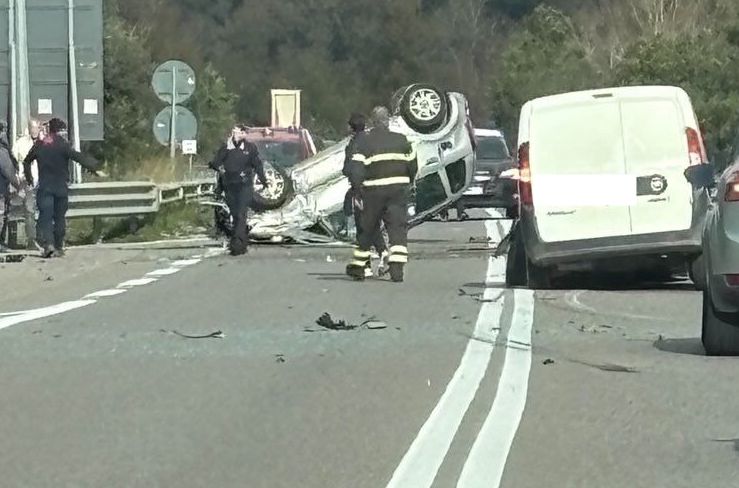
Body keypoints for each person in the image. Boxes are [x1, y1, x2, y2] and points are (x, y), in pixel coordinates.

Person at [345, 106, 417, 282]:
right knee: (398, 228)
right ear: (388, 121)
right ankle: (397, 269)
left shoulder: (364, 143)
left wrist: (357, 190)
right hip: (398, 190)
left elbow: (356, 170)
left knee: (367, 228)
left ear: (373, 122)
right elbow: (413, 164)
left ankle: (359, 267)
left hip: (373, 191)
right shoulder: (402, 140)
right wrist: (409, 181)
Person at [23, 117, 103, 258]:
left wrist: (29, 178)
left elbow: (26, 161)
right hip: (60, 187)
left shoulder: (40, 145)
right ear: (60, 131)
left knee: (46, 218)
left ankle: (49, 245)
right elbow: (78, 157)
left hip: (45, 187)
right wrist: (95, 167)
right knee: (59, 217)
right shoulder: (63, 145)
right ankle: (59, 246)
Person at [209, 124, 268, 256]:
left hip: (244, 185)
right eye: (234, 132)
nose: (236, 134)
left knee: (241, 214)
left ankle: (238, 245)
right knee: (235, 214)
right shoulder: (226, 148)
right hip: (229, 185)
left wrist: (263, 180)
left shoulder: (250, 148)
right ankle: (240, 238)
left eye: (239, 132)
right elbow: (216, 162)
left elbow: (257, 165)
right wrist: (218, 168)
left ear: (244, 134)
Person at [342, 112, 388, 278]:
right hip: (378, 188)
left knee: (363, 228)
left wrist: (356, 191)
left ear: (351, 127)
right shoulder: (372, 142)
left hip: (361, 190)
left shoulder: (354, 144)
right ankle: (376, 257)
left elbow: (351, 169)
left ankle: (371, 261)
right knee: (372, 224)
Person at [13, 118, 43, 249]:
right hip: (28, 182)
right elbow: (14, 160)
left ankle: (42, 238)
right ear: (29, 128)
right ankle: (32, 240)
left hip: (42, 181)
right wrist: (19, 176)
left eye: (36, 127)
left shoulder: (44, 142)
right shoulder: (21, 143)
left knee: (43, 210)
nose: (34, 130)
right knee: (30, 211)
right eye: (32, 127)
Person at [0, 123, 22, 251]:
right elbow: (7, 169)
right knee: (1, 214)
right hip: (1, 189)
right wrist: (17, 184)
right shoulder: (2, 150)